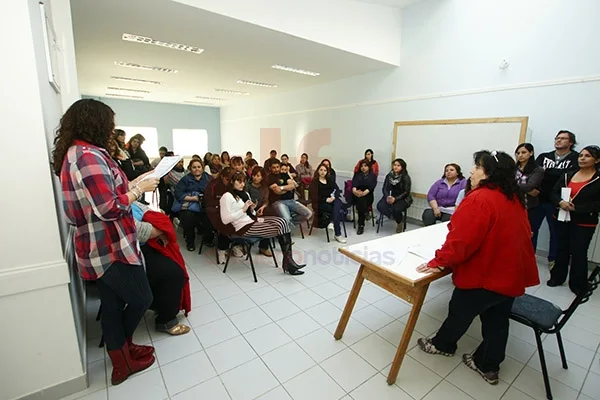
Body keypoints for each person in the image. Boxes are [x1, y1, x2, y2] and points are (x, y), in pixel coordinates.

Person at [52, 99, 159, 385]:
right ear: (96, 123)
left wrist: (140, 180)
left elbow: (110, 189)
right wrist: (139, 191)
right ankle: (122, 352)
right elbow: (108, 207)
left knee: (112, 305)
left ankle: (121, 357)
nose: (112, 130)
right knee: (142, 298)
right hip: (109, 246)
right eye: (109, 124)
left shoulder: (81, 152)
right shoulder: (87, 156)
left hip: (99, 244)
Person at [415, 150, 539, 386]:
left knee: (459, 312)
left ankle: (442, 345)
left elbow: (461, 242)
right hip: (511, 274)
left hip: (486, 274)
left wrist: (437, 261)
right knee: (497, 321)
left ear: (489, 174)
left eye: (477, 167)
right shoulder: (513, 197)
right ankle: (488, 365)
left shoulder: (479, 198)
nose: (471, 170)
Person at [220, 172, 306, 275]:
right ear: (232, 182)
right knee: (281, 226)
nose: (242, 184)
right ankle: (289, 263)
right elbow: (225, 219)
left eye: (243, 182)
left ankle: (288, 262)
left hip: (252, 221)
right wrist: (243, 210)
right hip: (243, 227)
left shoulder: (245, 194)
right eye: (239, 181)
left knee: (283, 221)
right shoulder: (227, 197)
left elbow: (251, 214)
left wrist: (252, 209)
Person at [131, 201, 191, 336]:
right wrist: (162, 228)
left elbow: (145, 210)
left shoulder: (131, 200)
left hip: (144, 244)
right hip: (131, 252)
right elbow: (139, 230)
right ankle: (166, 320)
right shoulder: (115, 204)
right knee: (174, 274)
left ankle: (161, 305)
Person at [548, 145, 600, 295]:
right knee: (561, 248)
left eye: (587, 156)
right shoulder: (568, 174)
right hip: (562, 216)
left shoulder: (597, 179)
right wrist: (560, 202)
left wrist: (576, 207)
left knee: (579, 251)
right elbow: (554, 192)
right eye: (581, 156)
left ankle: (578, 285)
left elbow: (597, 203)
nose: (582, 158)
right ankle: (557, 277)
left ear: (596, 160)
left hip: (584, 221)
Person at [532, 130, 579, 270]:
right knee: (531, 229)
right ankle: (528, 256)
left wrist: (547, 173)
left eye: (563, 139)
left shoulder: (575, 158)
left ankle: (553, 260)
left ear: (571, 142)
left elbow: (569, 176)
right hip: (538, 199)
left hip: (559, 201)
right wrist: (555, 174)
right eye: (557, 138)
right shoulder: (544, 156)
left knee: (556, 233)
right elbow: (536, 173)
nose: (558, 141)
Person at [204, 167, 244, 264]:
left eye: (231, 180)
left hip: (232, 210)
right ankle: (222, 249)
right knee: (225, 222)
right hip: (215, 210)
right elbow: (209, 202)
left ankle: (235, 245)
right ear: (222, 176)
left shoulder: (234, 186)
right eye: (227, 179)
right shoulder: (213, 185)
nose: (229, 182)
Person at [173, 159, 213, 251]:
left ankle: (208, 239)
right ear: (190, 168)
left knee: (211, 216)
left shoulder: (208, 178)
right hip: (190, 205)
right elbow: (178, 194)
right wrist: (193, 198)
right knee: (188, 217)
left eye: (199, 167)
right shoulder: (185, 179)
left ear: (202, 168)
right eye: (194, 167)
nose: (197, 169)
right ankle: (190, 242)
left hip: (205, 205)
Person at [267, 159, 313, 228]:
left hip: (290, 200)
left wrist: (282, 188)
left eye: (277, 167)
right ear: (270, 168)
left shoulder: (284, 174)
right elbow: (278, 191)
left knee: (308, 213)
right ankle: (286, 226)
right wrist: (287, 188)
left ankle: (287, 226)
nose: (276, 169)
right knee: (287, 219)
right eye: (274, 167)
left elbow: (292, 186)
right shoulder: (269, 178)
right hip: (278, 202)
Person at [309, 163, 347, 243]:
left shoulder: (329, 180)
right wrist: (326, 199)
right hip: (320, 203)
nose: (323, 172)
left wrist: (333, 196)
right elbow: (314, 196)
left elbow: (337, 190)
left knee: (337, 203)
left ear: (327, 172)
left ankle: (331, 222)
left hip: (332, 200)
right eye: (321, 170)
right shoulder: (314, 182)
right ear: (318, 171)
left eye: (325, 170)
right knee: (336, 211)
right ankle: (338, 234)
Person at [515, 143, 544, 241]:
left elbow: (530, 186)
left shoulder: (537, 170)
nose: (520, 155)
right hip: (514, 205)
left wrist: (512, 185)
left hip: (529, 207)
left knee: (529, 234)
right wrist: (526, 190)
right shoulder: (513, 169)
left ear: (531, 153)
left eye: (523, 152)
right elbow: (504, 183)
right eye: (518, 153)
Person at [376, 158, 413, 233]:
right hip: (390, 196)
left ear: (402, 167)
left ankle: (399, 223)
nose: (395, 167)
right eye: (394, 165)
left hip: (402, 198)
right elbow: (384, 188)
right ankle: (391, 215)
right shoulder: (389, 176)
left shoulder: (405, 177)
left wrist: (395, 199)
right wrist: (387, 197)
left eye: (398, 165)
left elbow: (406, 192)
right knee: (380, 206)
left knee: (396, 209)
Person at [246, 167, 274, 255]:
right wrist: (253, 209)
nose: (255, 178)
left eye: (258, 176)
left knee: (269, 218)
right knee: (263, 221)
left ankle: (263, 247)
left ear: (262, 177)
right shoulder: (247, 186)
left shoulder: (264, 187)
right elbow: (245, 201)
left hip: (261, 209)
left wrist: (263, 207)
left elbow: (266, 200)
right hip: (249, 210)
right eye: (254, 175)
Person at [352, 161, 377, 235]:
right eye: (362, 166)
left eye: (365, 166)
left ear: (369, 167)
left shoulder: (373, 176)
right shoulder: (357, 174)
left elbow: (371, 187)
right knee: (360, 202)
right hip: (356, 195)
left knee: (361, 203)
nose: (363, 168)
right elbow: (354, 185)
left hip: (368, 195)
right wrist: (355, 192)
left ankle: (361, 225)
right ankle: (365, 213)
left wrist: (362, 193)